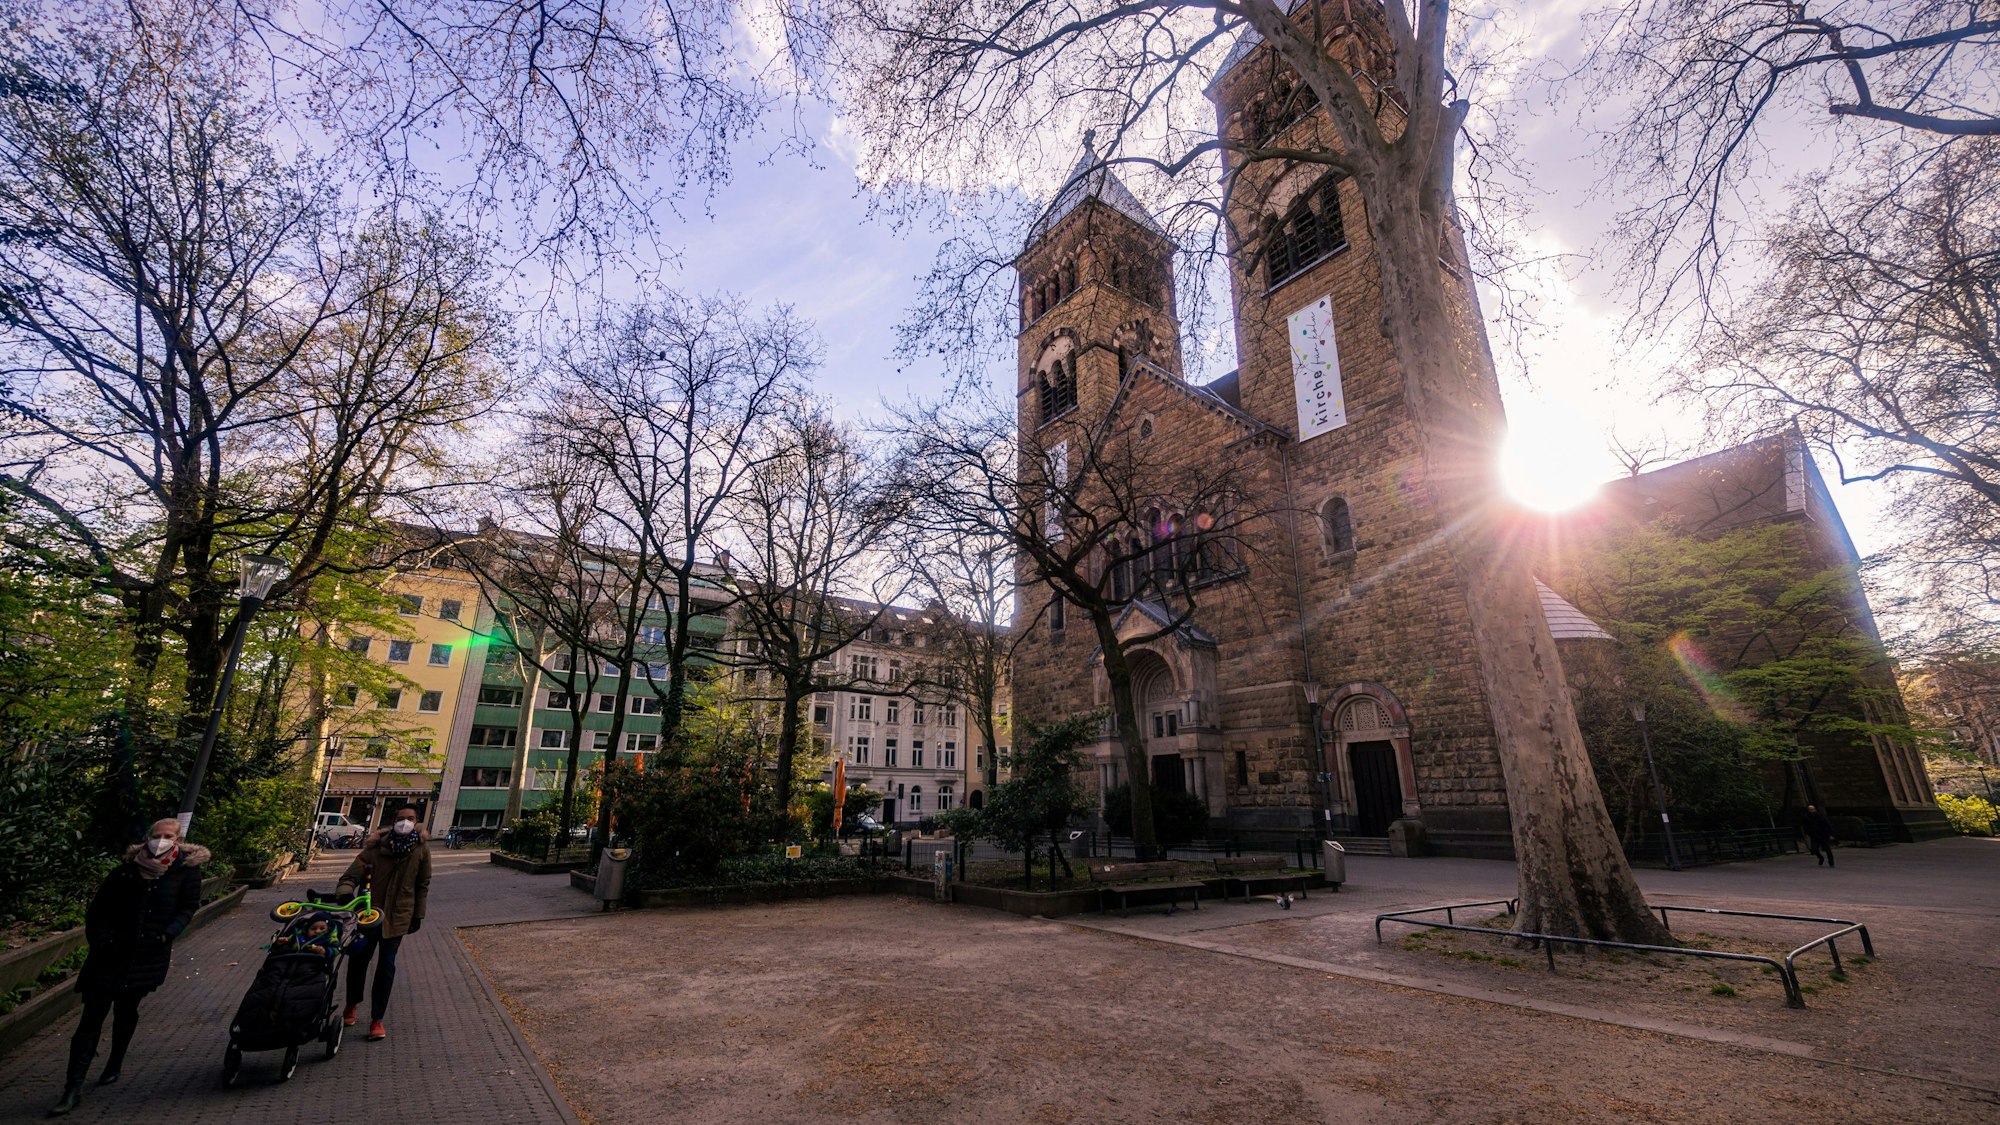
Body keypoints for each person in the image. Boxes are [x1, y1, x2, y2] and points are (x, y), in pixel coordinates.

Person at [50, 818, 208, 1116]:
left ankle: (114, 1062)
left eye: (168, 835)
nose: (161, 840)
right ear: (147, 837)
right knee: (91, 1017)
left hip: (148, 955)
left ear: (178, 840)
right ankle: (72, 1088)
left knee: (126, 1010)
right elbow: (98, 910)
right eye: (157, 835)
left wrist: (167, 934)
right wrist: (102, 940)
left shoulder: (185, 872)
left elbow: (188, 907)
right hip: (110, 955)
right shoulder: (125, 871)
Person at [335, 805, 431, 1042]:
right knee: (359, 961)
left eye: (410, 818)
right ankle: (352, 1003)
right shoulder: (375, 848)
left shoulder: (421, 849)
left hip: (398, 916)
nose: (405, 822)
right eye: (401, 818)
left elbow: (422, 884)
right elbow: (351, 875)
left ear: (417, 821)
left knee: (387, 965)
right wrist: (345, 893)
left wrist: (418, 915)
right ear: (393, 820)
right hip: (368, 916)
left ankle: (377, 1019)